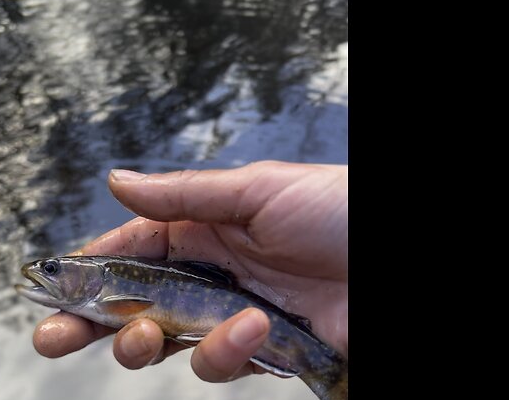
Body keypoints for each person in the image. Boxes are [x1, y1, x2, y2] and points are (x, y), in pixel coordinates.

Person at [31, 160, 348, 385]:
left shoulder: (107, 289)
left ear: (91, 277)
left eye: (52, 269)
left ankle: (329, 373)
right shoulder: (106, 287)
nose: (42, 272)